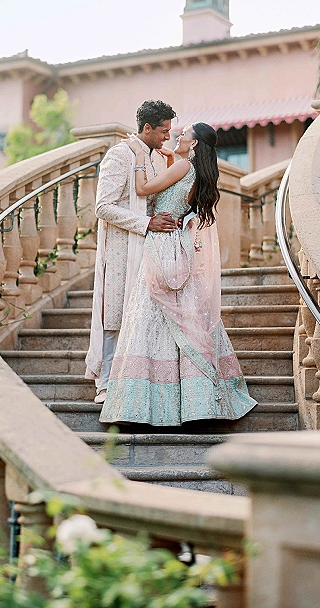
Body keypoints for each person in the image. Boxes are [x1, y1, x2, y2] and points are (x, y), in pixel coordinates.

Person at [99, 122, 257, 426]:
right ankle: (196, 402)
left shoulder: (184, 165)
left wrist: (136, 156)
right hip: (179, 246)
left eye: (184, 134)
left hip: (162, 243)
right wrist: (168, 158)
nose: (177, 136)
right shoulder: (198, 172)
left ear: (194, 144)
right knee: (184, 315)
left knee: (150, 315)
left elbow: (144, 189)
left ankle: (144, 404)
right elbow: (177, 192)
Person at [85, 100, 178, 403]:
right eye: (163, 130)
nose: (167, 136)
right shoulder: (119, 155)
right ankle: (105, 384)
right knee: (114, 313)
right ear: (147, 128)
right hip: (121, 248)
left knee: (140, 314)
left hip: (147, 247)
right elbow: (103, 207)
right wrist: (146, 222)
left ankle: (134, 381)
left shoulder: (152, 157)